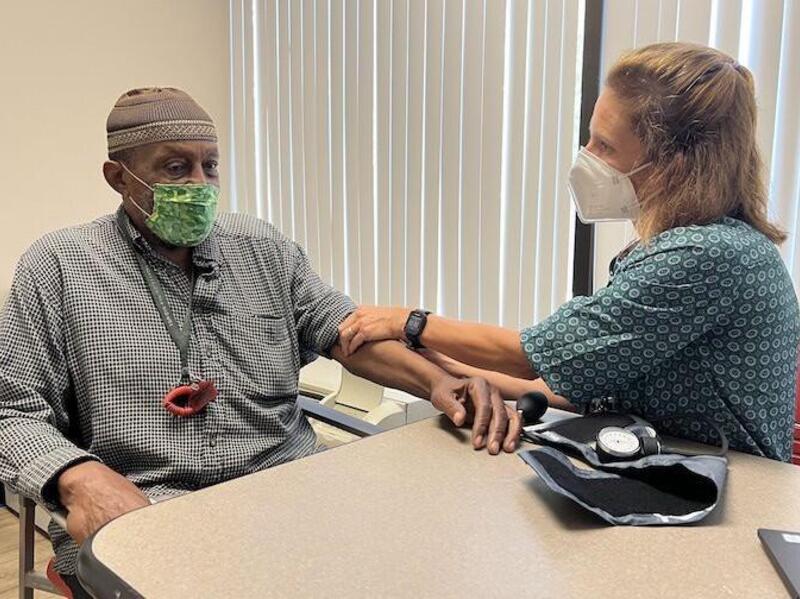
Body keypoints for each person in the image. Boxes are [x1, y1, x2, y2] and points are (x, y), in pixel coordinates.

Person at [0, 87, 519, 595]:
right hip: (150, 511)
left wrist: (439, 382)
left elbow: (343, 330)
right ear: (119, 177)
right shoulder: (59, 268)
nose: (200, 184)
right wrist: (79, 479)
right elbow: (11, 412)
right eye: (176, 168)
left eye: (211, 166)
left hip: (287, 494)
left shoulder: (262, 248)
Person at [338, 42, 800, 462]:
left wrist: (411, 322)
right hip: (677, 466)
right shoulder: (710, 243)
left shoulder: (705, 256)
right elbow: (574, 384)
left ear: (673, 164)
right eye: (590, 137)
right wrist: (442, 370)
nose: (587, 156)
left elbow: (531, 354)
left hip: (726, 490)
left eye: (606, 146)